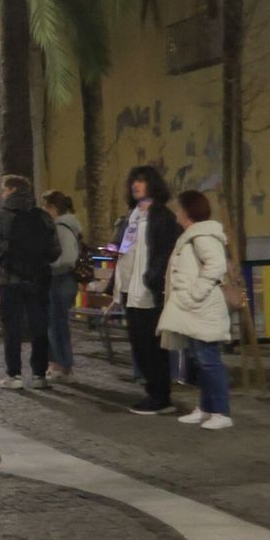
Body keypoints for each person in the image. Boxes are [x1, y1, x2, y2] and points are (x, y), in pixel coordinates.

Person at [157, 191, 233, 430]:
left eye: (179, 208)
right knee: (199, 359)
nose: (176, 213)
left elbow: (216, 265)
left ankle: (221, 411)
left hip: (202, 307)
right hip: (194, 308)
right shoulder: (192, 235)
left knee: (208, 360)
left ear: (188, 211)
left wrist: (195, 293)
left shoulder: (201, 236)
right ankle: (206, 408)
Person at [113, 166, 182, 415]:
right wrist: (118, 288)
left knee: (154, 346)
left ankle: (160, 396)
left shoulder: (162, 216)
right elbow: (125, 254)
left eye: (141, 181)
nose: (136, 185)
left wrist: (154, 278)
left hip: (150, 292)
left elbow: (166, 253)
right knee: (139, 345)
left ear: (152, 184)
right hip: (132, 292)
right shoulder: (132, 218)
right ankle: (153, 392)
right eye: (134, 181)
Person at [0, 175, 59, 390]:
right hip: (38, 280)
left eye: (4, 190)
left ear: (13, 190)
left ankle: (14, 375)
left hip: (10, 281)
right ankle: (39, 375)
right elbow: (55, 251)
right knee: (39, 327)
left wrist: (8, 258)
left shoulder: (0, 218)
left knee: (11, 328)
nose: (2, 194)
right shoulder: (43, 217)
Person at [42, 190, 83, 382]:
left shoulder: (61, 227)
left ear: (52, 208)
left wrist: (47, 264)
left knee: (56, 324)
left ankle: (62, 366)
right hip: (64, 280)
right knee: (57, 323)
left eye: (45, 207)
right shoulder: (70, 225)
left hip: (60, 279)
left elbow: (66, 258)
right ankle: (60, 365)